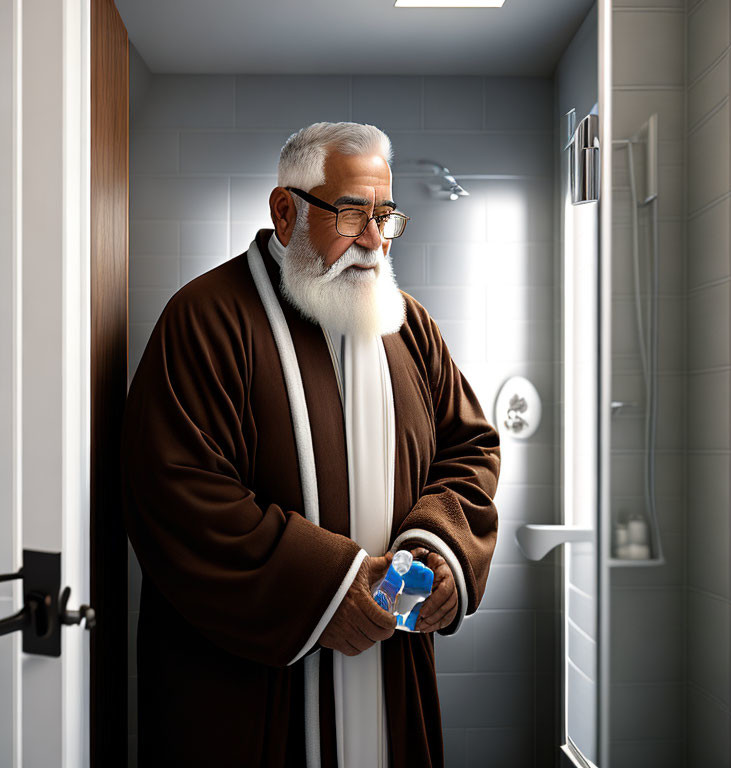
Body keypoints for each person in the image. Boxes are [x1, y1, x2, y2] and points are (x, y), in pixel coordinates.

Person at [121, 121, 501, 767]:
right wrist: (331, 590)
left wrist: (440, 552)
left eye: (386, 215)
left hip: (389, 656)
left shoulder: (409, 324)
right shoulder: (206, 315)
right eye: (352, 214)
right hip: (247, 680)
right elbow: (174, 489)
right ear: (284, 209)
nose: (374, 239)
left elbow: (469, 448)